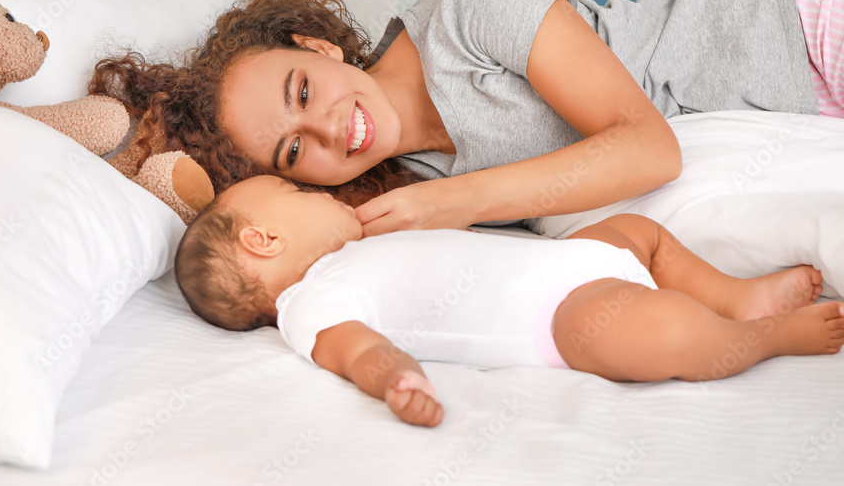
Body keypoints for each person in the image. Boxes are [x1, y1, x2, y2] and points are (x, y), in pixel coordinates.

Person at [91, 0, 844, 235]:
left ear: (318, 45)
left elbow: (650, 147)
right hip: (791, 126)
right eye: (293, 151)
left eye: (301, 90)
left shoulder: (464, 9)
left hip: (791, 26)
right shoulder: (399, 187)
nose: (327, 130)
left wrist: (458, 202)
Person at [174, 175, 844, 428]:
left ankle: (737, 296)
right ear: (265, 240)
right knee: (663, 333)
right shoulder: (310, 301)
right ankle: (768, 336)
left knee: (640, 233)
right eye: (302, 194)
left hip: (569, 260)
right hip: (566, 316)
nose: (323, 192)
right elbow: (359, 352)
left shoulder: (355, 250)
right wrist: (396, 378)